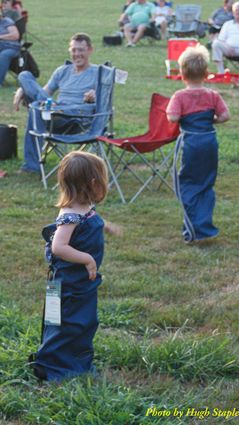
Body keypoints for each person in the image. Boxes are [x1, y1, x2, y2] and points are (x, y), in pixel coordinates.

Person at [28, 151, 122, 381]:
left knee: (83, 321)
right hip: (68, 284)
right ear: (92, 183)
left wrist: (105, 226)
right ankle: (52, 365)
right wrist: (87, 259)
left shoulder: (83, 207)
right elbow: (59, 247)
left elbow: (90, 219)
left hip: (80, 283)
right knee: (66, 322)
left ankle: (73, 358)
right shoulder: (70, 214)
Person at [166, 45, 230, 244]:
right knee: (206, 182)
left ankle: (193, 228)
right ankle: (205, 224)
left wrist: (177, 115)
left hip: (191, 142)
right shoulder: (212, 95)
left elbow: (173, 117)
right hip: (209, 140)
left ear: (182, 75)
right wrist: (211, 120)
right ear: (206, 74)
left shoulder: (179, 96)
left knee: (187, 182)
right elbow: (225, 115)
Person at [13, 33, 98, 174]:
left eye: (81, 50)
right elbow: (43, 93)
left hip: (75, 118)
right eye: (73, 50)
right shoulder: (62, 71)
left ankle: (31, 166)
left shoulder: (98, 73)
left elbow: (104, 99)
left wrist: (95, 96)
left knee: (35, 108)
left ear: (90, 50)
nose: (77, 54)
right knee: (24, 76)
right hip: (52, 113)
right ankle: (32, 165)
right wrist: (23, 89)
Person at [0, 8, 20, 87]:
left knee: (3, 56)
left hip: (11, 47)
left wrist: (1, 37)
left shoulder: (7, 21)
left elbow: (15, 35)